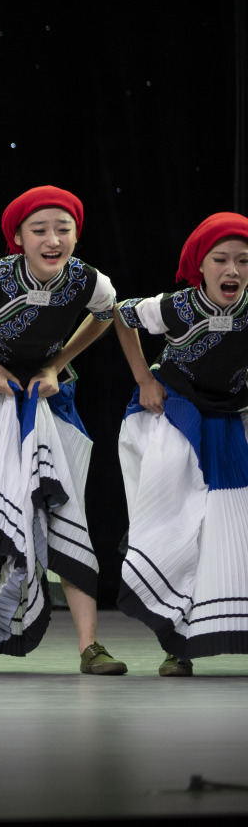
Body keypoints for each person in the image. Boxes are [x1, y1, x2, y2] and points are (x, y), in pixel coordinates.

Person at [0, 186, 124, 675]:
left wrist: (58, 363)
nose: (52, 240)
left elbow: (107, 313)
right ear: (18, 237)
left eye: (63, 229)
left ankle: (90, 646)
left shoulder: (88, 281)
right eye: (39, 230)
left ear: (77, 234)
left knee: (63, 507)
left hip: (43, 396)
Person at [110, 212, 248, 675]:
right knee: (176, 526)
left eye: (244, 261)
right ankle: (176, 643)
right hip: (177, 411)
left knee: (227, 529)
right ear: (200, 265)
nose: (233, 270)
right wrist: (144, 379)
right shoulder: (177, 307)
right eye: (221, 259)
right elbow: (121, 314)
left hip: (229, 418)